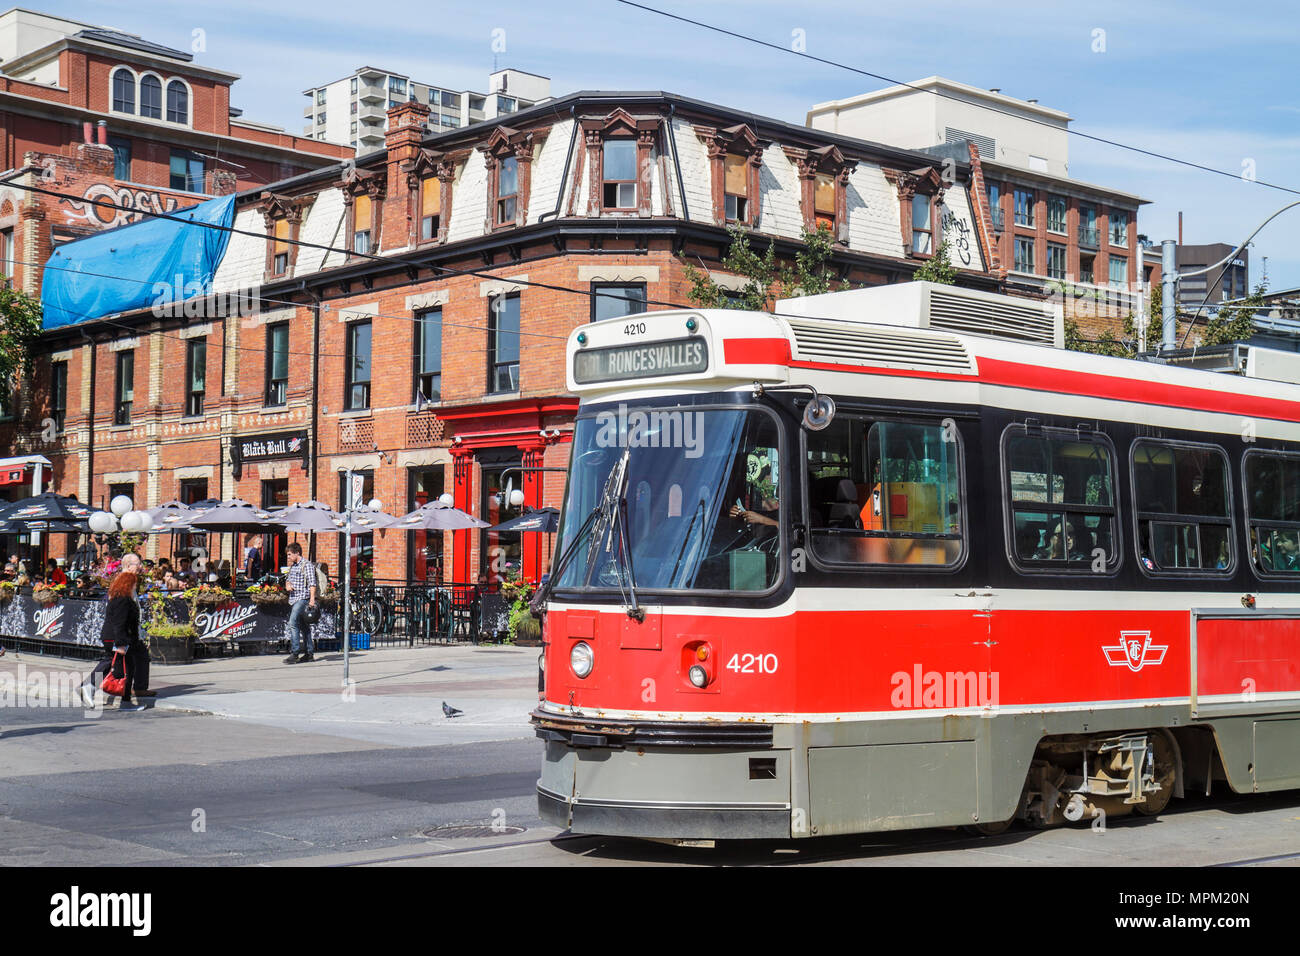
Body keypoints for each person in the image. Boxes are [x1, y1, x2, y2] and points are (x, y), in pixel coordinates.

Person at [100, 553, 151, 709]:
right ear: (128, 566)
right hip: (120, 636)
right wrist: (121, 641)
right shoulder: (124, 588)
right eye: (138, 564)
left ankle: (134, 693)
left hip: (127, 635)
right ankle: (89, 686)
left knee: (133, 661)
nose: (140, 567)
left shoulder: (125, 588)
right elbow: (120, 619)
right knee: (117, 664)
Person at [283, 542, 318, 664]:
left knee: (292, 623)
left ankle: (295, 653)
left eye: (289, 554)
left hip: (302, 599)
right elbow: (288, 579)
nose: (288, 557)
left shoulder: (306, 565)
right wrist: (287, 584)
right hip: (294, 598)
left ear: (297, 553)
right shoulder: (293, 566)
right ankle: (309, 653)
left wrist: (312, 600)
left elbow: (312, 583)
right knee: (304, 626)